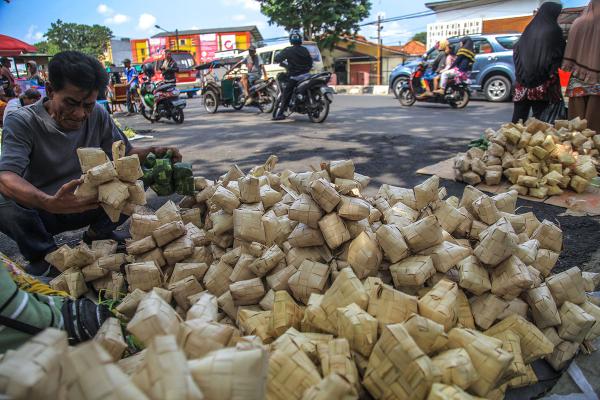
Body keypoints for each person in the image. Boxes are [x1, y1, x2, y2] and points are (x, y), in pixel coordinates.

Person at [0, 51, 181, 278]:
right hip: (42, 213)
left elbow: (128, 153)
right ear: (50, 90)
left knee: (141, 171)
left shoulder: (97, 114)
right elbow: (6, 176)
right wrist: (48, 202)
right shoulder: (22, 121)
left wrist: (156, 152)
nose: (79, 113)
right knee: (3, 195)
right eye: (71, 103)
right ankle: (43, 255)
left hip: (88, 203)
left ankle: (98, 233)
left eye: (87, 105)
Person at [512, 2, 565, 123]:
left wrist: (521, 75)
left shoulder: (529, 28)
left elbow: (516, 51)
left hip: (522, 84)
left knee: (517, 122)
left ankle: (509, 142)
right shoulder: (554, 30)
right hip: (543, 87)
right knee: (540, 124)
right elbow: (558, 56)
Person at [562, 0, 600, 133]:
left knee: (576, 129)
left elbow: (570, 50)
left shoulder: (578, 23)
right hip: (597, 83)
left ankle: (576, 153)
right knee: (594, 128)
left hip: (576, 78)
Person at [272, 29, 313, 121]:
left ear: (291, 39)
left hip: (295, 76)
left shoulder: (288, 50)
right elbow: (310, 63)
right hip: (307, 76)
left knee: (286, 93)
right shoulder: (305, 50)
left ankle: (280, 113)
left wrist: (282, 61)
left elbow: (277, 58)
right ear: (301, 39)